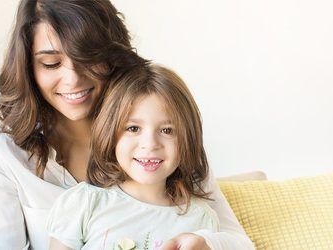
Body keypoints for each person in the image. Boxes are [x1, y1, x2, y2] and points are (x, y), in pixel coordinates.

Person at [0, 0, 254, 249]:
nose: (73, 79)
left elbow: (238, 241)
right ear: (28, 68)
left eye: (87, 58)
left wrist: (205, 242)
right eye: (51, 63)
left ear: (112, 57)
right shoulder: (3, 152)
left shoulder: (161, 144)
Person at [48, 63, 219, 250]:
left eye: (167, 130)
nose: (150, 143)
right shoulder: (84, 204)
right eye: (133, 128)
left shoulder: (201, 220)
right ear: (111, 135)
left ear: (188, 138)